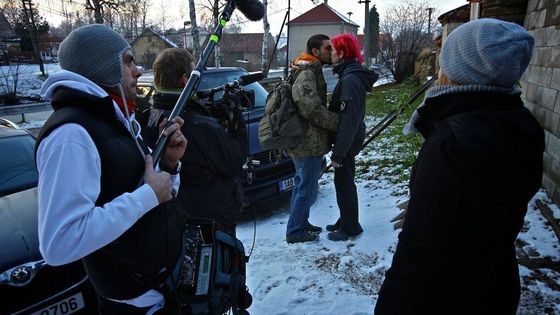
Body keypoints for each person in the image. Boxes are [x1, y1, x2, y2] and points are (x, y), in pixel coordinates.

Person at [375, 19, 544, 314]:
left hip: (445, 295)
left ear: (463, 67)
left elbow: (419, 247)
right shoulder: (524, 125)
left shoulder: (451, 140)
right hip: (497, 283)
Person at [36, 24, 188, 314]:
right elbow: (59, 244)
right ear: (104, 66)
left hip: (161, 288)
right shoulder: (71, 135)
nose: (138, 69)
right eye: (128, 60)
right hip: (135, 304)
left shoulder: (116, 118)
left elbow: (150, 194)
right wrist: (147, 196)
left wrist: (169, 164)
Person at [140, 48, 248, 237]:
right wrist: (236, 124)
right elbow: (233, 162)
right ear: (185, 79)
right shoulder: (200, 126)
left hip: (172, 219)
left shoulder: (147, 118)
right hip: (210, 220)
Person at [285, 34, 340, 244]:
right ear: (316, 51)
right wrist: (337, 122)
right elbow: (310, 108)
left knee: (303, 186)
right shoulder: (307, 73)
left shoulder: (310, 69)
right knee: (306, 187)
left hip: (307, 141)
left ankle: (300, 222)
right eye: (328, 48)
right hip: (306, 143)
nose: (331, 51)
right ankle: (295, 231)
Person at [325, 34, 378, 241]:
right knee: (344, 181)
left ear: (342, 52)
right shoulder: (349, 75)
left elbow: (349, 120)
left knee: (344, 183)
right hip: (349, 138)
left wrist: (339, 152)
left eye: (334, 49)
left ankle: (350, 228)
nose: (331, 53)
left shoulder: (350, 79)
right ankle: (346, 219)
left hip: (347, 140)